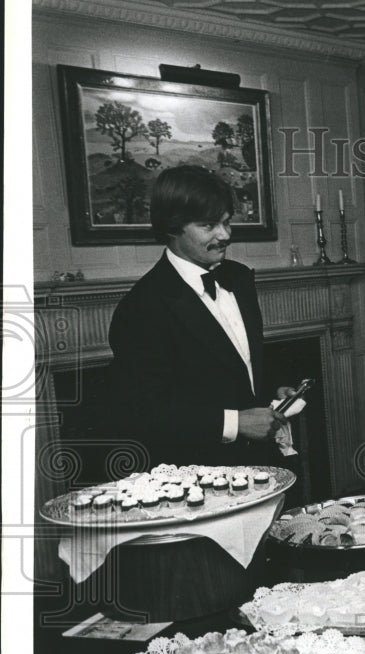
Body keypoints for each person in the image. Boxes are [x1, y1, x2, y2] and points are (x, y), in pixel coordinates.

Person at [109, 165, 293, 467]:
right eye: (209, 226)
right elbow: (142, 412)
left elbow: (236, 360)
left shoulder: (240, 278)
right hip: (199, 476)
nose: (225, 235)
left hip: (262, 465)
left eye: (226, 222)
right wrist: (235, 423)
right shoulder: (141, 307)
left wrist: (275, 386)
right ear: (172, 227)